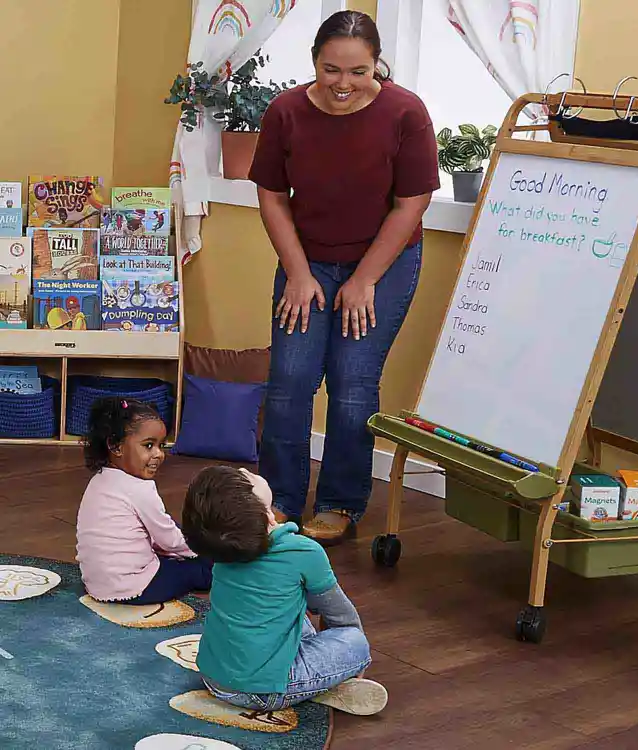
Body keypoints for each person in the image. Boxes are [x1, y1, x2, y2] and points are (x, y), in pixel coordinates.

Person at [251, 10, 439, 544]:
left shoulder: (405, 113)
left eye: (358, 71)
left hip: (385, 260)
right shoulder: (286, 112)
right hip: (306, 259)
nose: (343, 84)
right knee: (289, 381)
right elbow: (271, 194)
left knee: (353, 384)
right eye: (331, 69)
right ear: (314, 62)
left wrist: (364, 281)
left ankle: (340, 501)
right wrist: (297, 272)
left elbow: (411, 204)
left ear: (376, 63)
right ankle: (279, 499)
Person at [181, 465, 387, 716]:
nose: (246, 469)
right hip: (261, 692)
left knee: (288, 614)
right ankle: (317, 687)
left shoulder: (223, 548)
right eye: (247, 478)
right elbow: (341, 617)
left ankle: (311, 685)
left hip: (213, 676)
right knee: (355, 641)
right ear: (268, 517)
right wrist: (350, 659)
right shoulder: (303, 551)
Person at [76, 397, 212, 604]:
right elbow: (169, 540)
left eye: (161, 445)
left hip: (97, 583)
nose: (159, 454)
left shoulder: (99, 480)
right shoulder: (140, 488)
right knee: (200, 568)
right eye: (148, 445)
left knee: (170, 531)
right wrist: (203, 549)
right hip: (137, 587)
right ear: (115, 445)